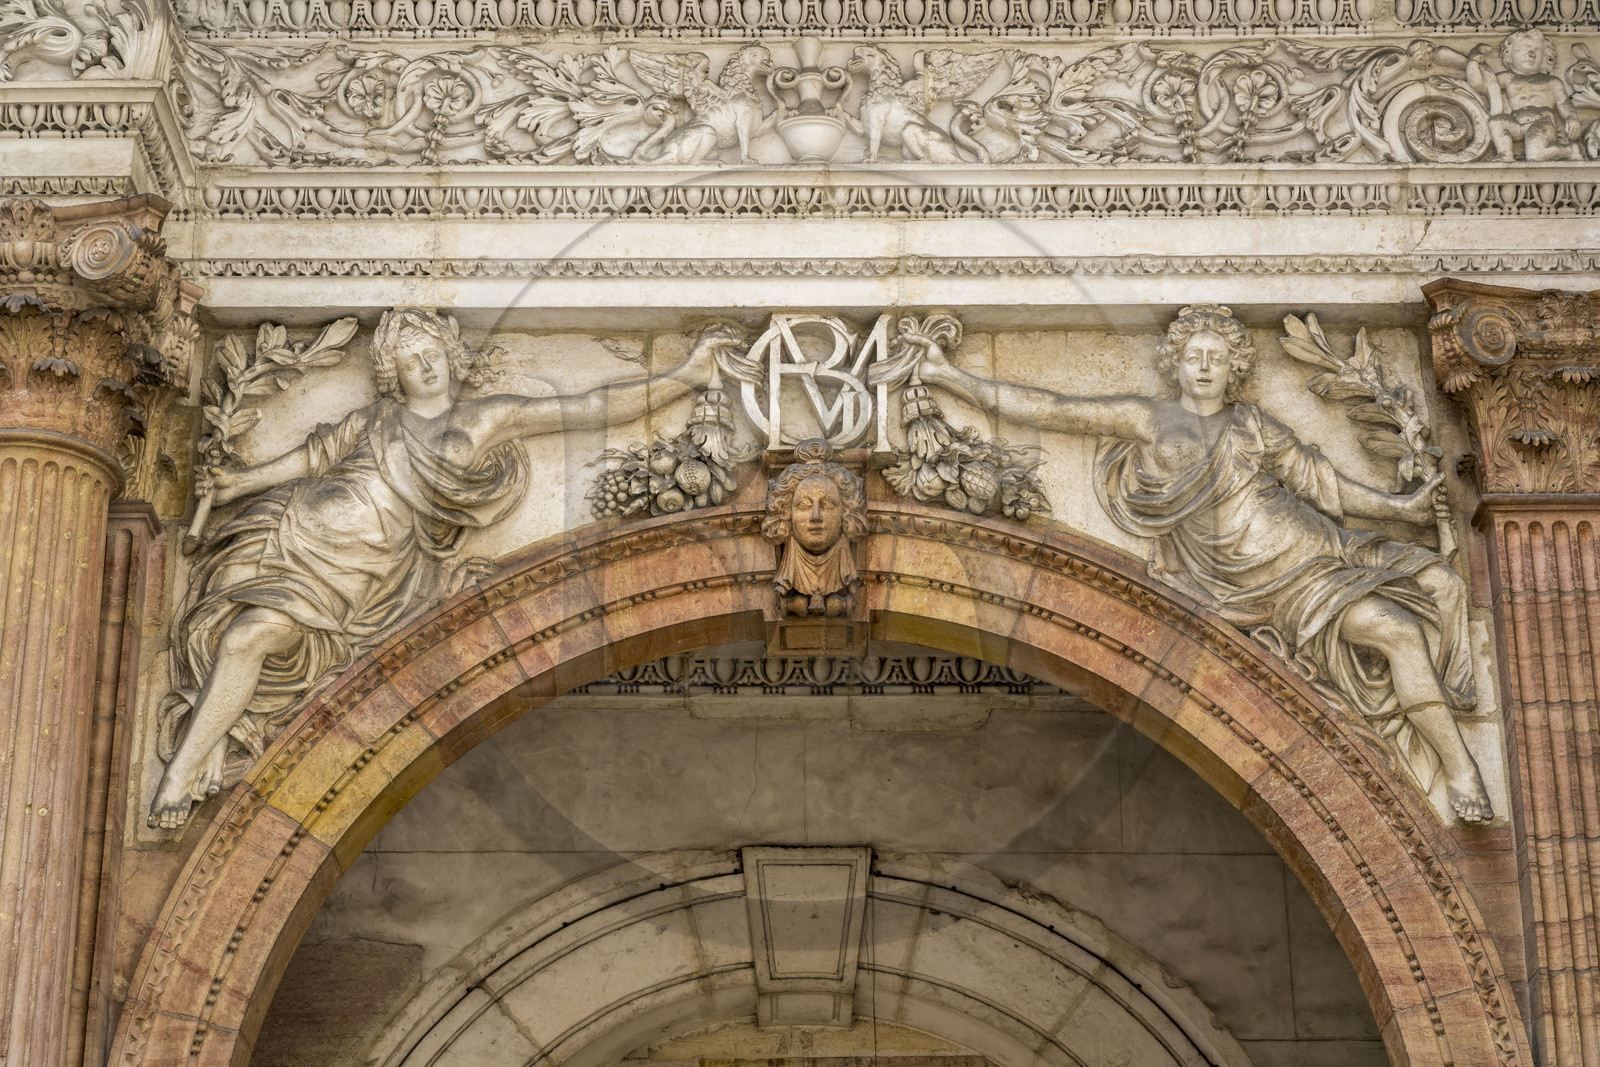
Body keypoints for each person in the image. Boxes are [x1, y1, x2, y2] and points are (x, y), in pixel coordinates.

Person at [151, 309, 736, 829]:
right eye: (409, 360)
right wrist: (237, 482)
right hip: (294, 530)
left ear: (454, 358)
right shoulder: (375, 419)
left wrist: (684, 377)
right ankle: (184, 767)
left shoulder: (486, 419)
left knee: (249, 637)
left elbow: (590, 407)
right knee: (236, 637)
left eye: (432, 353)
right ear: (392, 373)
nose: (424, 366)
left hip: (359, 567)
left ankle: (190, 762)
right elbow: (312, 457)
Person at [909, 303, 1492, 822]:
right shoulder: (1149, 418)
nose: (1206, 366)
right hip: (1261, 585)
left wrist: (1403, 508)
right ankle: (1458, 766)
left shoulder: (1254, 424)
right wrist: (948, 376)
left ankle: (1460, 766)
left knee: (1432, 592)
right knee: (1397, 629)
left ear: (1235, 366)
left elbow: (1325, 487)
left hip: (1319, 553)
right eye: (1194, 356)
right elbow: (1054, 407)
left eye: (1216, 356)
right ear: (1176, 363)